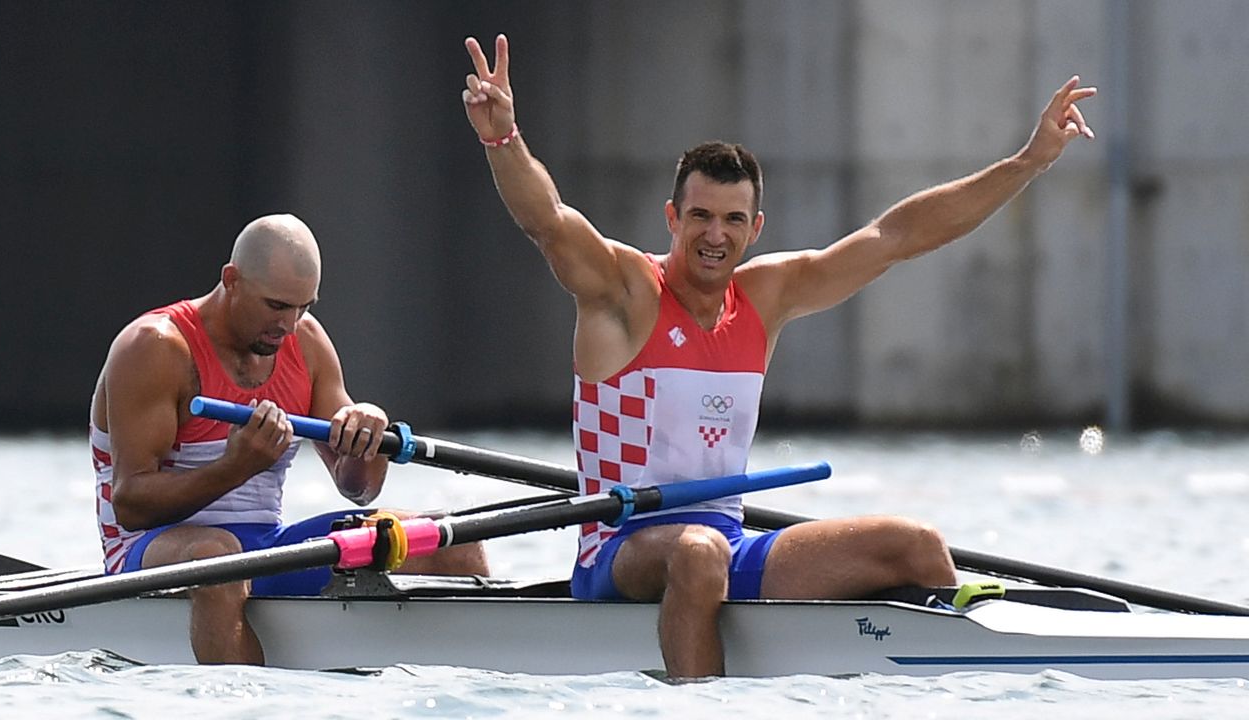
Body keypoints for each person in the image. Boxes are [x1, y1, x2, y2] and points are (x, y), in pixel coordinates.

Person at [462, 34, 1096, 678]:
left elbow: (897, 236)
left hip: (728, 544)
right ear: (671, 219)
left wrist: (1029, 161)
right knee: (698, 552)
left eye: (733, 220)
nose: (716, 236)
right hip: (617, 550)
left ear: (756, 227)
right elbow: (549, 220)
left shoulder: (766, 297)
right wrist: (503, 139)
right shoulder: (626, 293)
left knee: (916, 546)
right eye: (700, 217)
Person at [90, 214, 490, 665]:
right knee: (217, 557)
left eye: (303, 306)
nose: (289, 324)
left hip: (265, 548)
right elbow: (132, 503)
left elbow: (356, 486)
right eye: (276, 306)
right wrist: (236, 467)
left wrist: (368, 431)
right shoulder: (155, 348)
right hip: (148, 552)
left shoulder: (306, 342)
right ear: (232, 280)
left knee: (449, 540)